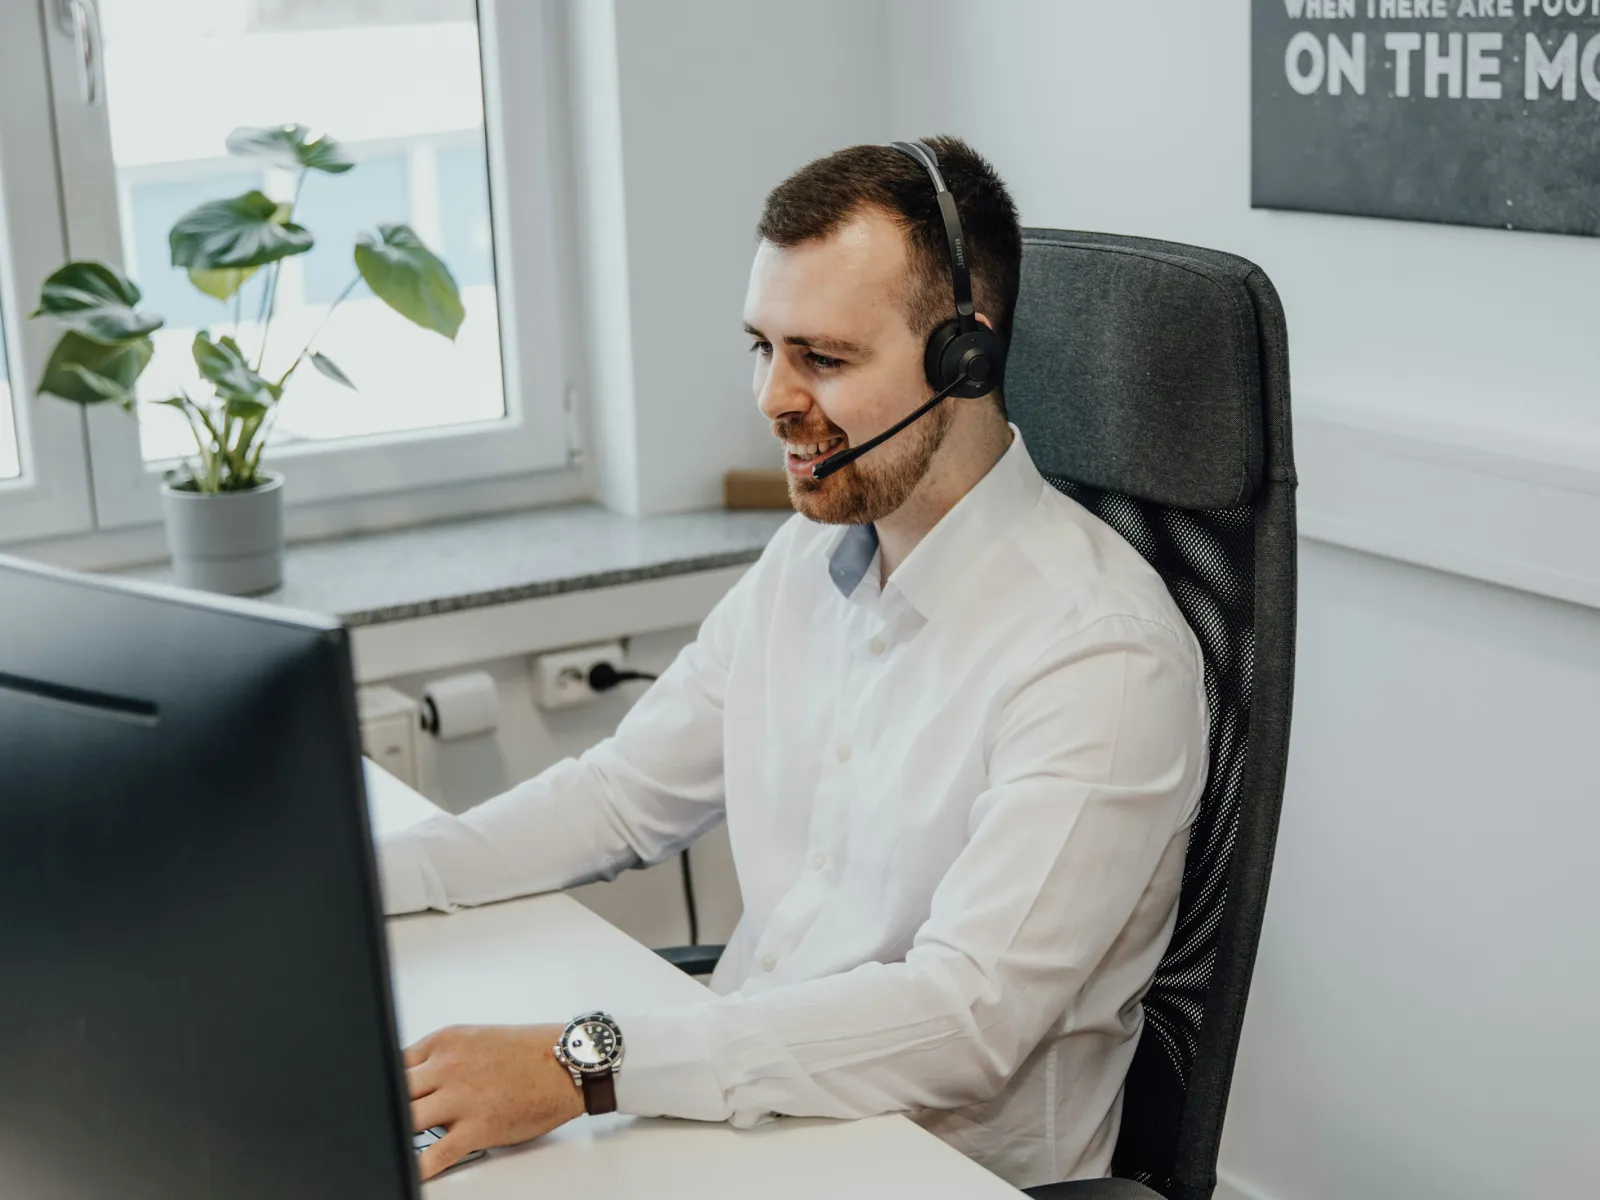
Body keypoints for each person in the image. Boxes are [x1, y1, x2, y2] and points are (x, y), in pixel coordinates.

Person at [381, 136, 1208, 1191]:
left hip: (916, 1168)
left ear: (967, 357)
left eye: (821, 358)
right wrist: (378, 882)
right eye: (761, 347)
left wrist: (581, 1063)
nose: (772, 398)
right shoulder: (806, 555)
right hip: (737, 1123)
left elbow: (965, 1017)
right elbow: (620, 799)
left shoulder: (1099, 653)